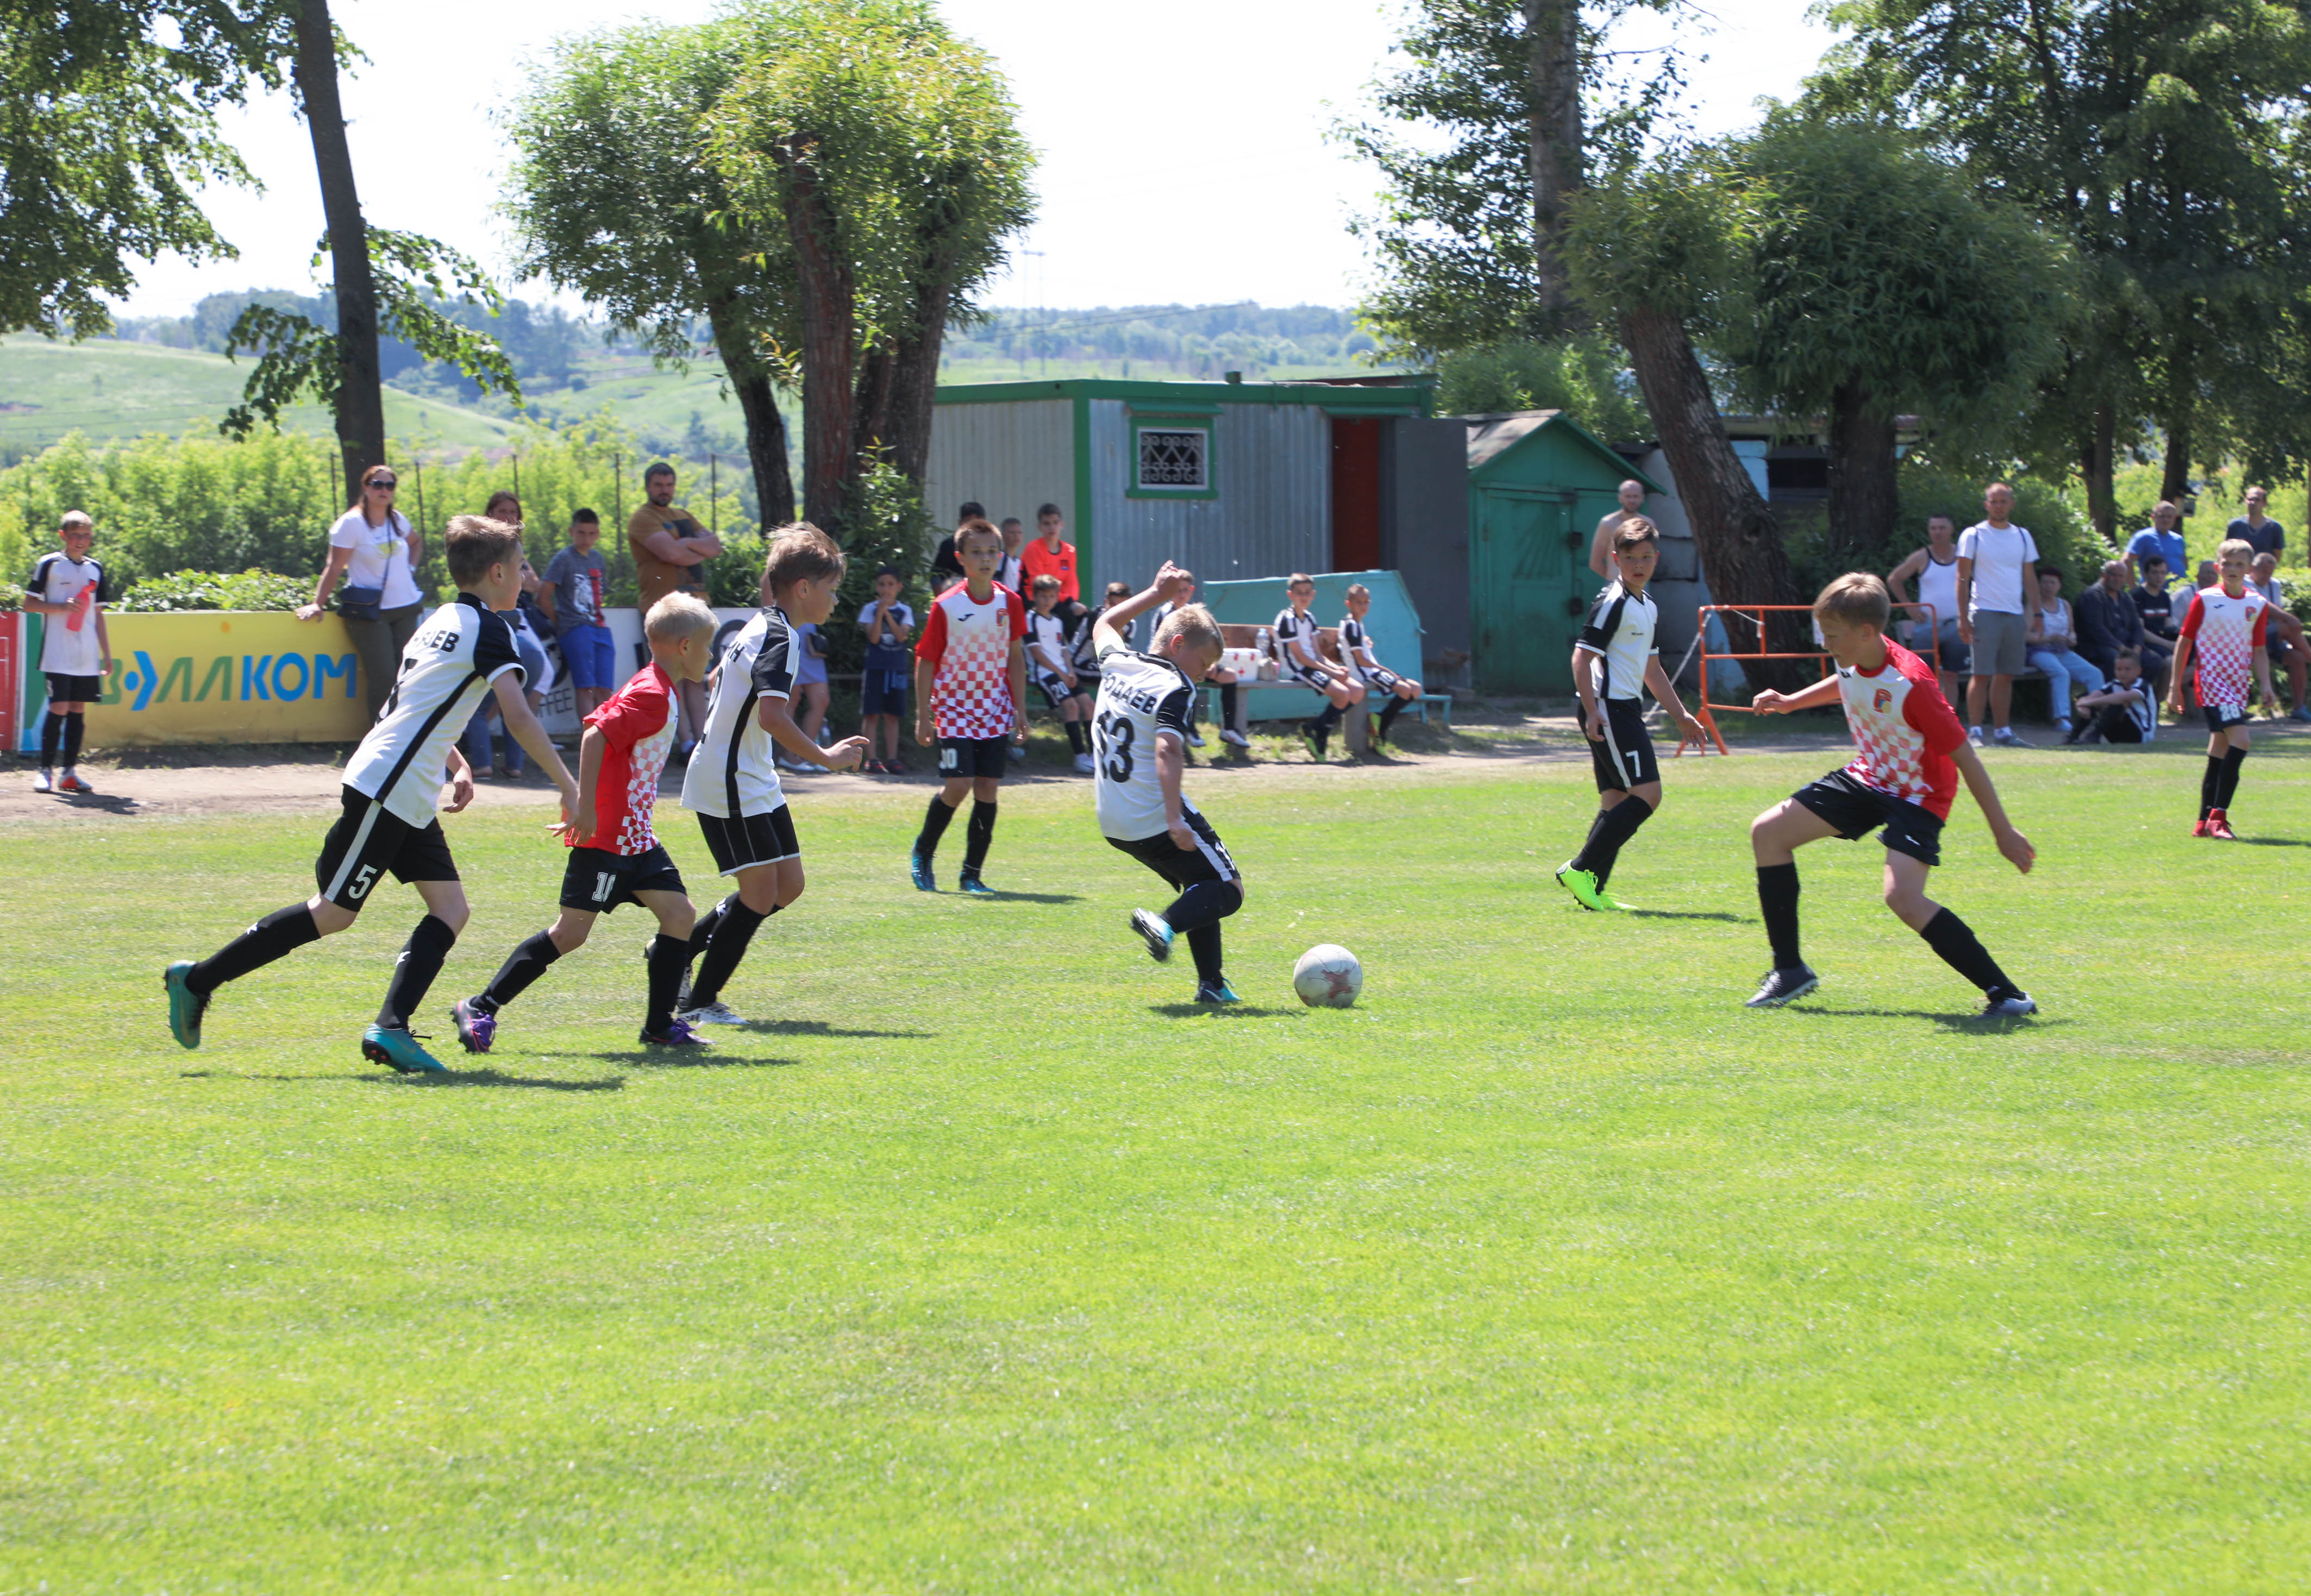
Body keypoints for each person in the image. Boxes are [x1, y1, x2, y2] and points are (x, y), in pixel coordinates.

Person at [164, 515, 579, 1074]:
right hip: (388, 788)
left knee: (451, 910)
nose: (526, 576)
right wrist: (570, 788)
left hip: (406, 789)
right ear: (498, 572)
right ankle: (198, 980)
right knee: (333, 912)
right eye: (521, 565)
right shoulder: (490, 630)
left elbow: (413, 705)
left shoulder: (440, 619)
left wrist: (456, 763)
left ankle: (391, 1027)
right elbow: (520, 718)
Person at [1745, 572, 2037, 1016]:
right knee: (1767, 833)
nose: (1825, 644)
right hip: (1870, 777)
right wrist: (1791, 701)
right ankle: (1789, 971)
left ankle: (2007, 996)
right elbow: (1847, 680)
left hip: (1918, 794)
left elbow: (1967, 759)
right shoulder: (1853, 653)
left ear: (1866, 632)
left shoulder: (1912, 685)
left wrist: (2003, 832)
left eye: (1832, 636)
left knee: (1902, 898)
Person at [451, 594, 720, 1055]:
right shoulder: (652, 694)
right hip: (607, 841)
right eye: (707, 646)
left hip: (637, 840)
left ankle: (660, 1026)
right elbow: (595, 735)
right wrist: (584, 805)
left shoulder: (659, 688)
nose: (710, 655)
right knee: (569, 934)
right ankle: (480, 1007)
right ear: (684, 646)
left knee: (680, 915)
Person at [674, 524, 870, 1025]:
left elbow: (721, 684)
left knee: (788, 886)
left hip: (752, 775)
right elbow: (772, 718)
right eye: (831, 589)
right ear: (803, 588)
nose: (835, 599)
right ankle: (699, 1002)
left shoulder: (764, 623)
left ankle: (675, 952)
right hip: (730, 779)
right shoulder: (780, 637)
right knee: (759, 895)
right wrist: (825, 757)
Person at [1091, 561, 1245, 1005]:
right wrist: (1175, 819)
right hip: (1154, 813)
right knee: (1228, 889)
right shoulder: (1174, 685)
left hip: (1113, 820)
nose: (1204, 673)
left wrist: (1156, 594)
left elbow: (1104, 624)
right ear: (1178, 645)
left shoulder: (1118, 663)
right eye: (1204, 662)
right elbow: (1168, 750)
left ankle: (1212, 984)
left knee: (1202, 882)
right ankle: (1163, 925)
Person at [1555, 520, 1706, 912]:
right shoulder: (1613, 602)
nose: (1638, 565)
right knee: (1648, 795)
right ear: (1615, 558)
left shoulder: (1647, 605)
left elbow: (1652, 670)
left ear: (1656, 558)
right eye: (1629, 558)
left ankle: (1592, 889)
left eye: (1645, 557)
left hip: (1624, 708)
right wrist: (1592, 711)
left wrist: (1681, 715)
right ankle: (1579, 869)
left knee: (1616, 798)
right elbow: (1581, 656)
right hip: (1608, 708)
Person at [910, 518, 1027, 895]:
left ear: (1001, 556)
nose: (985, 558)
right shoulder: (945, 605)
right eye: (976, 552)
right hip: (953, 710)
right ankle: (923, 851)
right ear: (960, 558)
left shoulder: (1010, 603)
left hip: (994, 710)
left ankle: (971, 875)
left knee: (987, 788)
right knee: (958, 785)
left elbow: (1016, 658)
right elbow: (926, 661)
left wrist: (1021, 710)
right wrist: (924, 716)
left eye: (992, 551)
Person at [299, 463, 424, 721]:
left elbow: (416, 543)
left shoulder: (398, 519)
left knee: (408, 675)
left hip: (406, 607)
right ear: (366, 487)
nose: (384, 490)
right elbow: (335, 567)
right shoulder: (351, 523)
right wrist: (317, 603)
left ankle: (406, 735)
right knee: (384, 676)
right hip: (371, 612)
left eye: (390, 485)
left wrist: (410, 569)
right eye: (378, 484)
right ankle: (379, 737)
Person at [2169, 538, 2271, 840]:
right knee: (2242, 740)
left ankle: (2203, 821)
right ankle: (2219, 817)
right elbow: (2184, 642)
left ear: (2249, 569)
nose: (2233, 569)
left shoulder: (2257, 604)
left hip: (2238, 686)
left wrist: (2266, 684)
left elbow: (2260, 649)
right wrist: (2175, 686)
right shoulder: (2205, 599)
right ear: (2218, 567)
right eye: (2227, 564)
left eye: (2240, 564)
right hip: (2213, 683)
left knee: (2219, 749)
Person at [628, 462, 723, 750]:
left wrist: (686, 545)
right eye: (658, 485)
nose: (664, 490)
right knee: (671, 677)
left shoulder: (684, 516)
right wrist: (694, 549)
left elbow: (715, 547)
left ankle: (702, 742)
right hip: (664, 611)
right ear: (648, 487)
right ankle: (684, 743)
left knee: (696, 676)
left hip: (697, 608)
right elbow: (671, 554)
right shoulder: (643, 518)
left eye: (669, 484)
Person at [24, 510, 112, 795]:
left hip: (86, 654)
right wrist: (62, 607)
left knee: (78, 709)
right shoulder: (49, 564)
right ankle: (45, 772)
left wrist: (107, 654)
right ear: (63, 535)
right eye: (75, 535)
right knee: (59, 707)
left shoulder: (95, 568)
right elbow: (29, 604)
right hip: (57, 651)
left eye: (86, 535)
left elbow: (98, 615)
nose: (81, 541)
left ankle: (70, 773)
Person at [1956, 481, 2040, 746]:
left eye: (2004, 501)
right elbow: (1962, 578)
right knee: (1981, 674)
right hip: (1984, 611)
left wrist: (2038, 614)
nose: (1999, 506)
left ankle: (2003, 731)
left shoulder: (2023, 536)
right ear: (1986, 505)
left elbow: (2029, 577)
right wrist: (1963, 618)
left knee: (2006, 675)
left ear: (2012, 504)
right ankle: (1975, 732)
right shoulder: (1973, 535)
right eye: (1994, 502)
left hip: (2014, 613)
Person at [1273, 573, 1365, 760]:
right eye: (1299, 593)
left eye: (1308, 592)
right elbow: (1301, 658)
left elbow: (1318, 655)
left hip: (1312, 667)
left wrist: (1337, 669)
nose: (1304, 597)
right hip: (1296, 669)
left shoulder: (1309, 618)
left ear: (1313, 595)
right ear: (1290, 595)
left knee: (1357, 691)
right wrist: (1332, 672)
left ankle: (1315, 728)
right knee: (1342, 694)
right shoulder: (1287, 619)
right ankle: (1320, 733)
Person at [1884, 513, 1969, 699]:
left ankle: (1949, 715)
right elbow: (1894, 579)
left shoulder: (1963, 556)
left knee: (1952, 676)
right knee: (1923, 676)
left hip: (1957, 624)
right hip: (1927, 624)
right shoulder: (1922, 557)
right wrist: (1909, 605)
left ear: (1952, 530)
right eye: (1933, 528)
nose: (1938, 532)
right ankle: (1928, 714)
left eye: (1942, 528)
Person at [541, 508, 614, 719]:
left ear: (598, 534)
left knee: (605, 689)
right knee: (586, 688)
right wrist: (560, 624)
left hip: (600, 626)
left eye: (591, 534)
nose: (586, 539)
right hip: (575, 627)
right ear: (571, 532)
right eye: (581, 533)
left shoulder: (598, 558)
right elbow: (543, 596)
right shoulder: (563, 558)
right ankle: (589, 735)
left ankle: (605, 734)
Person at [1023, 573, 1097, 774]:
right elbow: (1037, 653)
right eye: (1043, 596)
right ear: (1035, 596)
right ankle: (1080, 758)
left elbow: (1064, 650)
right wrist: (1062, 674)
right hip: (1044, 673)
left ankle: (1095, 756)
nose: (1048, 601)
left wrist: (1070, 671)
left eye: (1052, 597)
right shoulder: (1030, 618)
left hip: (1064, 672)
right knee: (1072, 706)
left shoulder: (1057, 620)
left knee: (1089, 705)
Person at [1339, 583, 1424, 746]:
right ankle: (1380, 732)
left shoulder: (1356, 623)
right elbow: (1360, 660)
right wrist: (1385, 669)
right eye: (1359, 602)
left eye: (1366, 602)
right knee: (1404, 690)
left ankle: (1379, 719)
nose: (1363, 606)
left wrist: (1364, 640)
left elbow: (1351, 642)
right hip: (1364, 673)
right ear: (1349, 604)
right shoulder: (1352, 625)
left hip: (1370, 671)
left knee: (1416, 689)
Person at [2025, 566, 2104, 735]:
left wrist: (2072, 638)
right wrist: (2048, 638)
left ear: (2059, 585)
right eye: (2045, 582)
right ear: (2039, 585)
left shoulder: (2065, 605)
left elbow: (2071, 630)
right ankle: (2062, 719)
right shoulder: (2033, 605)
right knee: (2061, 673)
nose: (2048, 586)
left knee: (2094, 673)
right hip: (2039, 651)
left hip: (2063, 651)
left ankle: (2096, 714)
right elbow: (2025, 635)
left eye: (2052, 583)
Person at [857, 565, 915, 773]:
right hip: (875, 668)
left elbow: (901, 636)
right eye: (882, 585)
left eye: (891, 585)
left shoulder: (905, 610)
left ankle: (892, 759)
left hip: (896, 669)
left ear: (899, 587)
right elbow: (874, 638)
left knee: (892, 715)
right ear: (876, 587)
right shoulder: (869, 609)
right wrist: (879, 613)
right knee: (871, 715)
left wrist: (888, 614)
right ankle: (871, 760)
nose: (886, 589)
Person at [2075, 558, 2157, 693]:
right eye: (2113, 575)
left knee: (2154, 660)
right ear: (2104, 575)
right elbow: (2097, 630)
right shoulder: (2091, 597)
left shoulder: (2125, 597)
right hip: (2099, 646)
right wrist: (2121, 648)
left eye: (2121, 576)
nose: (2117, 579)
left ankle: (2137, 697)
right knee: (2116, 660)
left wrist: (2137, 648)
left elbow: (2137, 626)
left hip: (2126, 645)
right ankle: (2111, 698)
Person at [2247, 552, 2310, 720]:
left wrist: (2285, 620)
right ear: (2252, 568)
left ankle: (2299, 708)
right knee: (2288, 626)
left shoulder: (2274, 584)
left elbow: (2275, 613)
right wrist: (2288, 618)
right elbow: (2260, 604)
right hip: (2248, 637)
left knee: (2297, 658)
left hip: (2271, 635)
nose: (2267, 576)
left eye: (2271, 572)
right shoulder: (2245, 582)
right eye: (2264, 571)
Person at [2066, 649, 2157, 745]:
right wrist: (2083, 706)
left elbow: (2121, 698)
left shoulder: (2143, 686)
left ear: (2139, 671)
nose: (2123, 673)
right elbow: (2093, 696)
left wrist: (2089, 702)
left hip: (2141, 734)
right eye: (2119, 669)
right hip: (2118, 734)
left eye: (2127, 669)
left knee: (2118, 703)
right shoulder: (2114, 684)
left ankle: (2094, 735)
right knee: (2096, 703)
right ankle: (2073, 737)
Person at [782, 618, 831, 773]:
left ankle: (810, 756)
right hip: (790, 638)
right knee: (791, 700)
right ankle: (789, 756)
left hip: (811, 643)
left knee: (822, 701)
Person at [1586, 479, 1650, 581]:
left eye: (1636, 496)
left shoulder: (1648, 524)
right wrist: (1614, 581)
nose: (1632, 501)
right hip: (1616, 585)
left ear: (1642, 498)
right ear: (1620, 498)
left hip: (1641, 585)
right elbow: (1595, 563)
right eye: (1628, 496)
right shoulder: (1608, 523)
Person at [1020, 502, 1080, 605]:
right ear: (1040, 527)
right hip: (1036, 600)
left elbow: (1071, 583)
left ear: (1062, 525)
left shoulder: (1070, 551)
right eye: (1047, 524)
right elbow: (1039, 585)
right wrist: (1068, 601)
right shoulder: (1033, 548)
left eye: (1056, 523)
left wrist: (1073, 602)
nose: (1052, 527)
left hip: (1060, 600)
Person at [2124, 500, 2188, 587]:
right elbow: (2126, 561)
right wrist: (2133, 589)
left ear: (2174, 519)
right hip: (2153, 592)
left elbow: (2184, 564)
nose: (2166, 520)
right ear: (2153, 518)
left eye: (2169, 517)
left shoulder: (2178, 539)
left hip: (2179, 590)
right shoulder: (2144, 537)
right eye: (2162, 516)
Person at [929, 501, 985, 591]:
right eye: (969, 523)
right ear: (961, 523)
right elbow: (936, 576)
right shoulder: (950, 545)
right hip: (955, 593)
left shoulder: (988, 547)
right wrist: (942, 598)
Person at [2229, 485, 2287, 561]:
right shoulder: (2235, 526)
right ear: (2245, 501)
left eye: (2257, 500)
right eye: (2250, 499)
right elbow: (2228, 552)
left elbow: (2277, 558)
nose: (2253, 503)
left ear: (2265, 503)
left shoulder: (2275, 528)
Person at [996, 517, 1027, 594]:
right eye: (1012, 532)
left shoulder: (1020, 562)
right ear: (1002, 535)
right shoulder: (999, 558)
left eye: (1019, 532)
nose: (1016, 536)